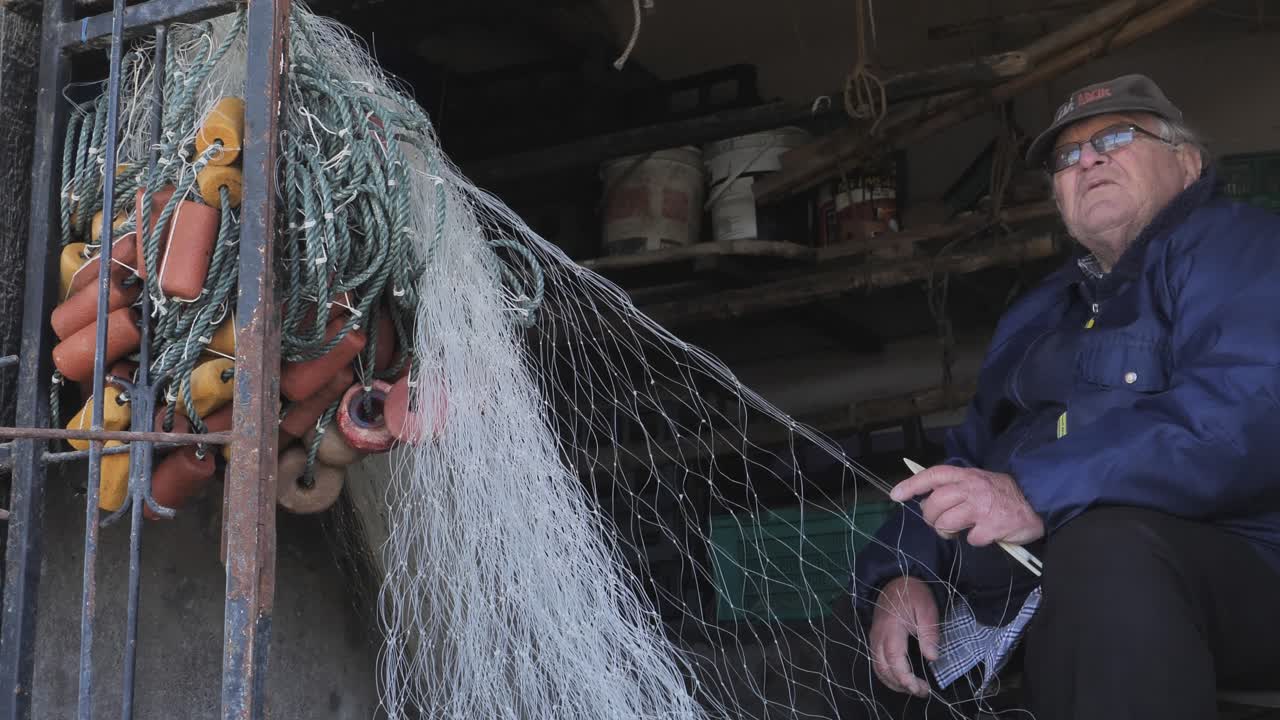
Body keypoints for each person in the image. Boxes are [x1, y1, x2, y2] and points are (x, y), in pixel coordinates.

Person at [846, 73, 1280, 719]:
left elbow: (1247, 411)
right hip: (1050, 582)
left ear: (1188, 163)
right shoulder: (1040, 310)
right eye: (1067, 156)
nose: (1090, 160)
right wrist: (900, 572)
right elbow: (967, 458)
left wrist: (1036, 492)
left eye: (1115, 137)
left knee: (1109, 552)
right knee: (876, 638)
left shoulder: (1240, 247)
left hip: (1244, 567)